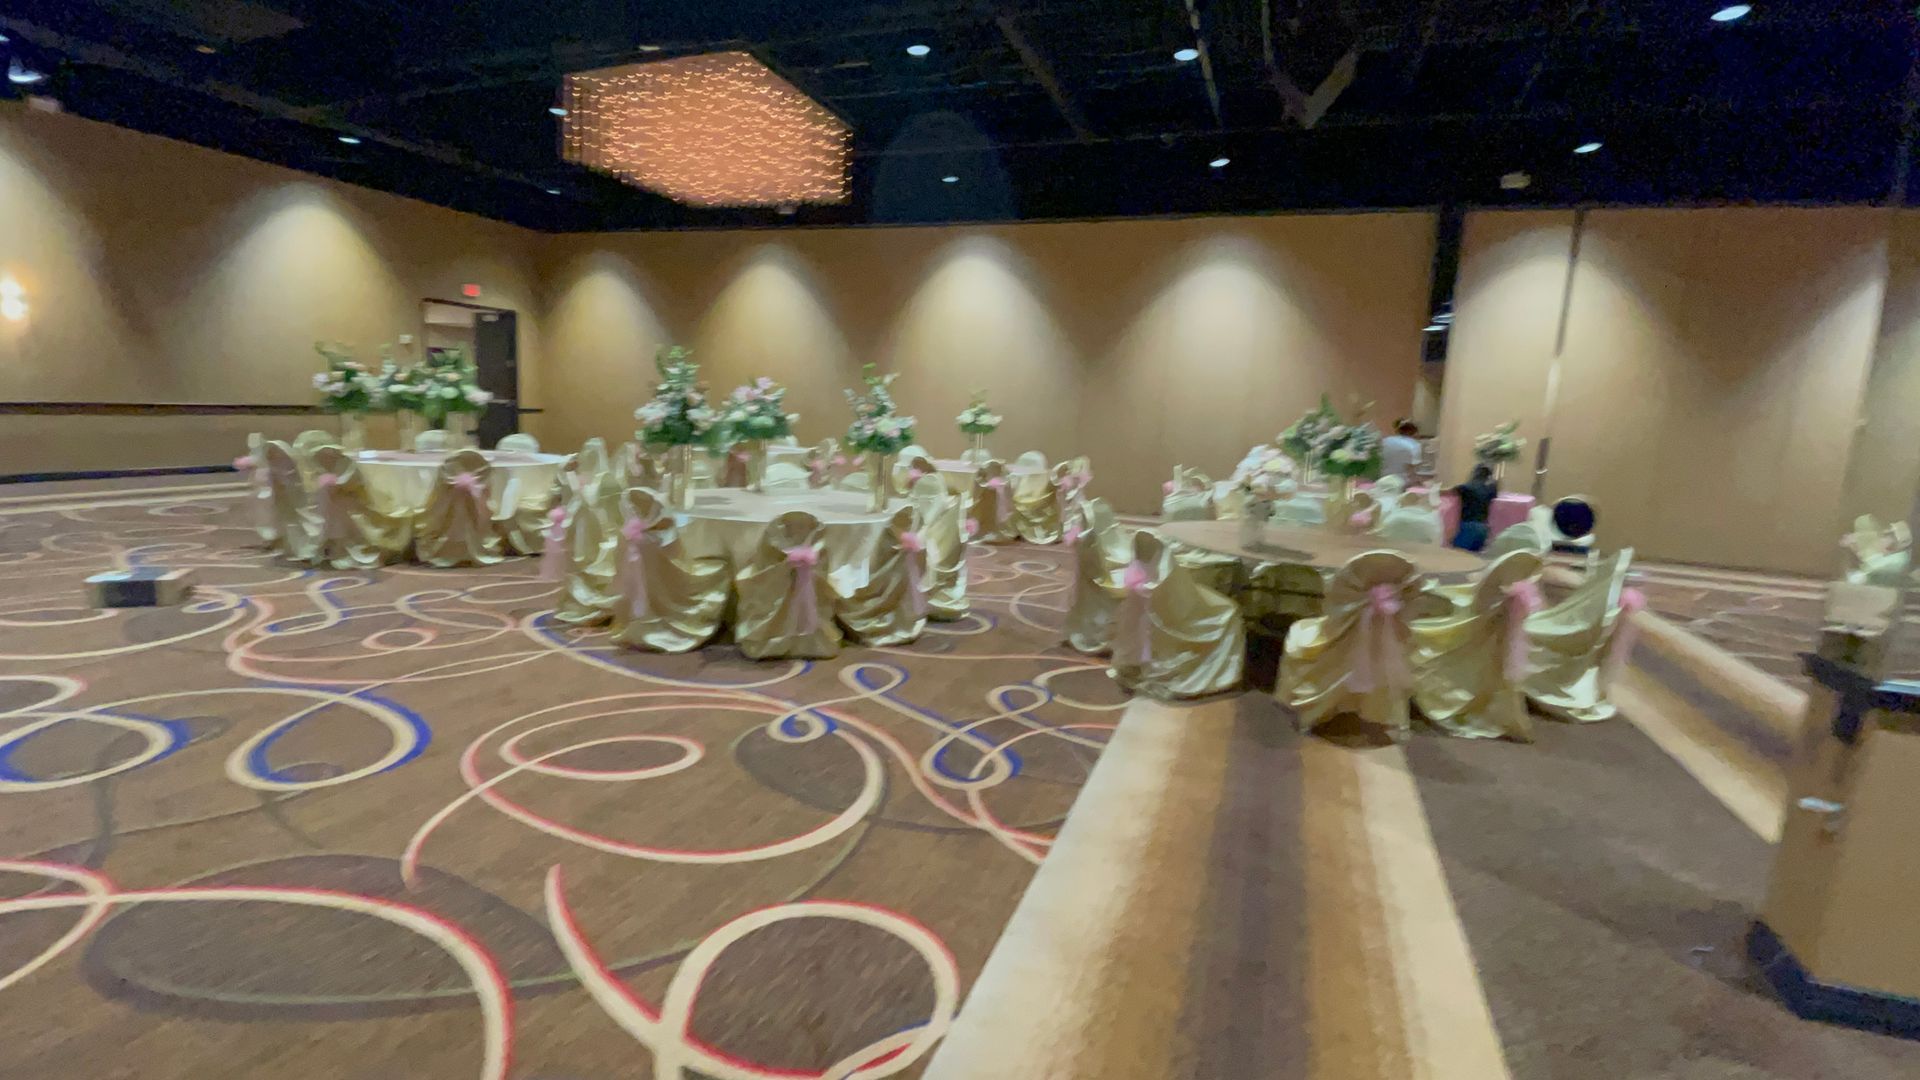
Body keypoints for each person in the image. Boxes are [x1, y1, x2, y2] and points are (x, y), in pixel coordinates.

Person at [1451, 463, 1498, 551]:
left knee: (1458, 556)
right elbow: (1495, 488)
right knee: (1475, 558)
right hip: (1483, 527)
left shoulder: (1466, 488)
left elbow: (1448, 492)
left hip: (1469, 526)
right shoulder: (1491, 489)